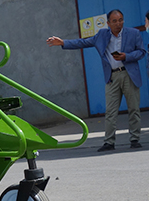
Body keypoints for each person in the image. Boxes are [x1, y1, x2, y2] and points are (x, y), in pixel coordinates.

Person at [47, 9, 145, 151]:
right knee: (110, 111)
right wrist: (63, 42)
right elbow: (83, 42)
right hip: (112, 77)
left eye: (121, 20)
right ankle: (109, 142)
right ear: (108, 23)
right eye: (115, 21)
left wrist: (126, 56)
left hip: (129, 75)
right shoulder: (102, 35)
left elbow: (141, 52)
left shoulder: (133, 33)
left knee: (134, 109)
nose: (119, 23)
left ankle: (135, 139)